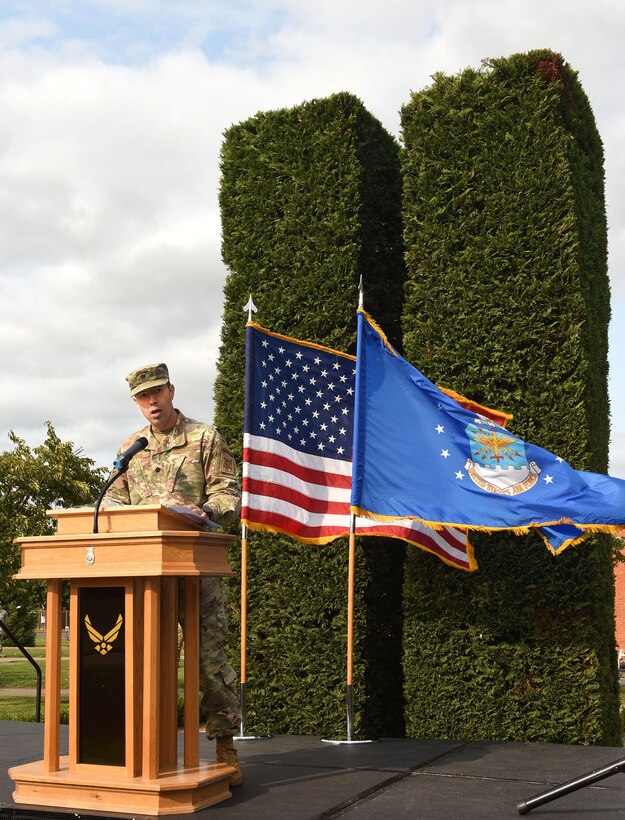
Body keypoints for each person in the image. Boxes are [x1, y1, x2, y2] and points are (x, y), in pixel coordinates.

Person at [103, 363, 243, 785]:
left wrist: (208, 510)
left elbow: (228, 490)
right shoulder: (132, 445)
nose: (151, 403)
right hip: (146, 571)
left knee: (209, 660)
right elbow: (112, 495)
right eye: (143, 397)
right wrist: (112, 516)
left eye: (157, 393)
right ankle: (144, 743)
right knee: (146, 659)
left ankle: (224, 746)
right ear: (136, 402)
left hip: (195, 566)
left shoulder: (205, 437)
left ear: (171, 391)